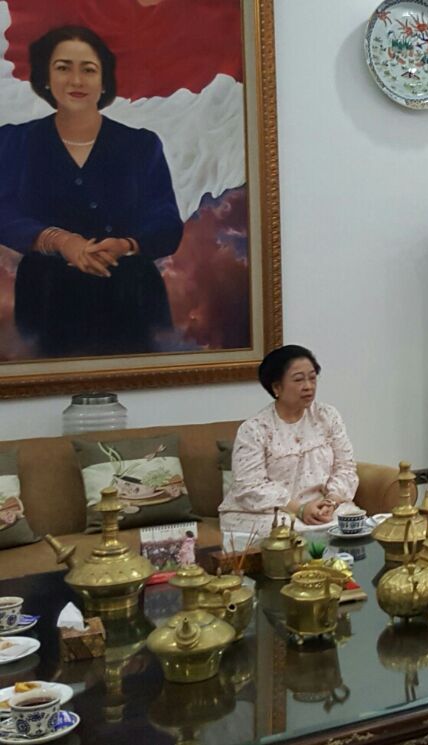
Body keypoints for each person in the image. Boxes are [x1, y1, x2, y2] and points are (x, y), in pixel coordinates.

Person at [0, 25, 183, 358]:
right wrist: (60, 241)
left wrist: (126, 245)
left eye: (88, 70)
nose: (76, 80)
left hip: (131, 295)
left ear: (104, 81)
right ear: (45, 77)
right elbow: (4, 212)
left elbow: (166, 220)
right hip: (46, 299)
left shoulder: (141, 145)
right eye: (63, 68)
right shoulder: (14, 142)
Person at [219, 345, 359, 536]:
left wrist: (331, 502)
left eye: (312, 377)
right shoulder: (254, 429)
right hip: (270, 511)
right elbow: (249, 486)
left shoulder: (327, 416)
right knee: (291, 532)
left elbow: (345, 467)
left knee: (353, 523)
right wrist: (299, 509)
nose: (308, 386)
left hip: (322, 505)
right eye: (299, 379)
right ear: (276, 387)